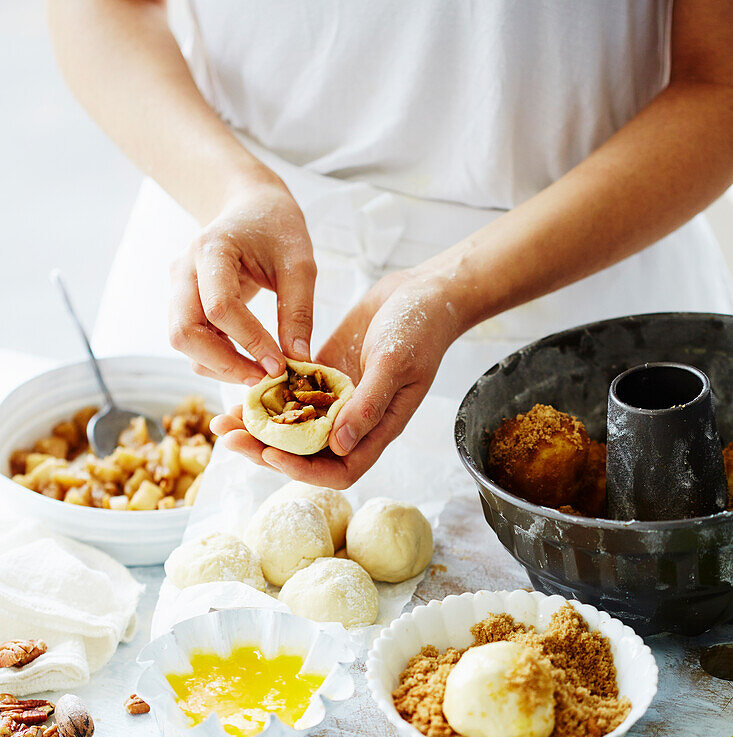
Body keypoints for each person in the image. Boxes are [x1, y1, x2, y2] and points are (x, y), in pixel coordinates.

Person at [48, 0, 733, 489]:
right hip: (224, 238)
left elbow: (718, 84)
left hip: (569, 278)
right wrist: (231, 191)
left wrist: (451, 288)